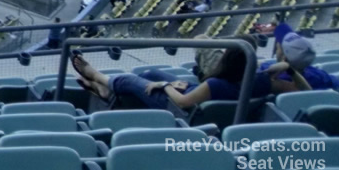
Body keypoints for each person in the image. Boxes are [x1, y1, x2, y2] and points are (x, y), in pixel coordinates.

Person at [71, 47, 255, 112]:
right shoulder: (254, 81)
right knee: (149, 74)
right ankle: (106, 91)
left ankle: (94, 75)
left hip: (175, 103)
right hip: (190, 90)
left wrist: (166, 86)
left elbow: (183, 103)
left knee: (129, 80)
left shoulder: (216, 84)